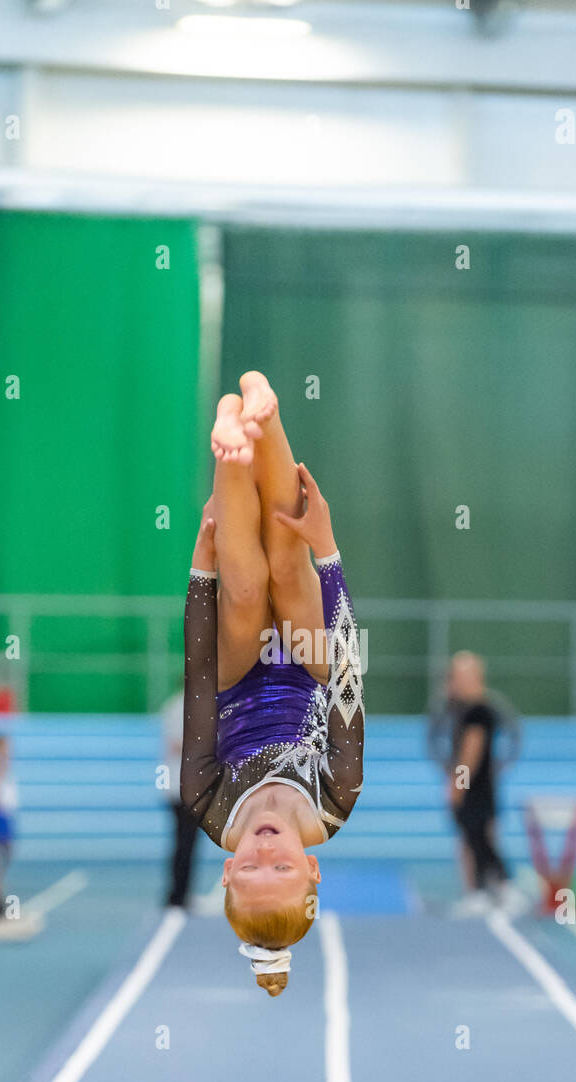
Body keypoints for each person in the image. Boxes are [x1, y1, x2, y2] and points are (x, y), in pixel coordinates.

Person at [180, 370, 364, 997]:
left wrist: (200, 574)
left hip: (233, 674)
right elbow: (345, 674)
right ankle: (263, 409)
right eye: (280, 867)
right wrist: (329, 552)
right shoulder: (337, 795)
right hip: (312, 664)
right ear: (310, 867)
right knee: (287, 561)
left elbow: (199, 682)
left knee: (245, 587)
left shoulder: (207, 803)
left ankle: (232, 448)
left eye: (250, 869)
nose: (262, 852)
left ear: (226, 874)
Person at [440, 652, 514, 911]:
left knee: (479, 837)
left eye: (460, 676)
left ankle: (498, 888)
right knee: (476, 837)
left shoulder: (478, 711)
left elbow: (471, 751)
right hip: (476, 784)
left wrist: (458, 784)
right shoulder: (463, 708)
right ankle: (487, 889)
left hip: (476, 786)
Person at [160, 689, 199, 910]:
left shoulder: (181, 705)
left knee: (186, 843)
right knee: (184, 843)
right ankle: (178, 895)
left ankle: (181, 893)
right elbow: (176, 743)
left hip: (182, 786)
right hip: (180, 786)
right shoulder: (180, 707)